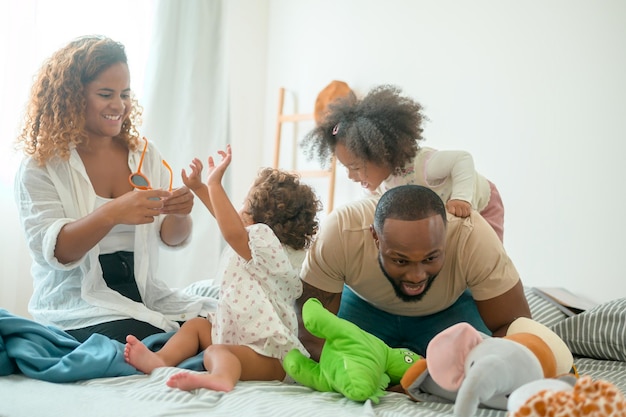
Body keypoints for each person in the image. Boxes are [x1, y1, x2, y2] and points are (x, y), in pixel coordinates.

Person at [13, 35, 216, 344]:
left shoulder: (143, 155)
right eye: (105, 94)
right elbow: (56, 252)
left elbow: (171, 238)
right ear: (72, 97)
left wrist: (180, 215)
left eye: (125, 94)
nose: (119, 106)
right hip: (80, 301)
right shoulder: (40, 167)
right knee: (157, 337)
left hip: (142, 292)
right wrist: (111, 213)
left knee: (222, 321)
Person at [124, 145, 322, 392]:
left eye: (245, 206)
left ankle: (221, 377)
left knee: (218, 352)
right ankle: (161, 360)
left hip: (270, 355)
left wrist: (215, 183)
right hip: (240, 336)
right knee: (196, 326)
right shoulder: (264, 245)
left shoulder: (264, 243)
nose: (237, 210)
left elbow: (230, 230)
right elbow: (226, 220)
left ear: (259, 222)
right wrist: (199, 188)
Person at [297, 184, 531, 361]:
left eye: (430, 258)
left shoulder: (472, 237)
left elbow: (517, 331)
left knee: (484, 356)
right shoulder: (341, 231)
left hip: (449, 311)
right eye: (400, 260)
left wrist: (435, 376)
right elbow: (311, 336)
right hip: (364, 307)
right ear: (375, 238)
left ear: (446, 234)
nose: (416, 276)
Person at [302, 84, 505, 242]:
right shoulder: (380, 185)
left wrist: (462, 198)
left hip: (483, 201)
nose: (350, 176)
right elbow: (371, 209)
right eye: (346, 168)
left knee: (489, 252)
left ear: (382, 154)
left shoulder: (423, 165)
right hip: (445, 215)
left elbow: (462, 159)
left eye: (355, 167)